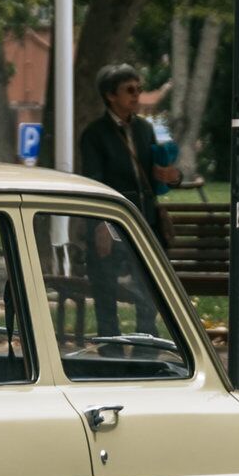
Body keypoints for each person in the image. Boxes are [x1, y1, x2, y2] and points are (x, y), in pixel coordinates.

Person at [69, 63, 165, 345]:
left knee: (148, 288)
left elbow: (157, 177)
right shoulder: (95, 134)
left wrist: (171, 176)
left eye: (139, 89)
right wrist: (101, 223)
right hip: (111, 222)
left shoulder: (146, 130)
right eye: (130, 91)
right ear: (111, 96)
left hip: (144, 221)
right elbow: (95, 182)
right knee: (105, 290)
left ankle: (146, 347)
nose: (137, 96)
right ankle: (110, 349)